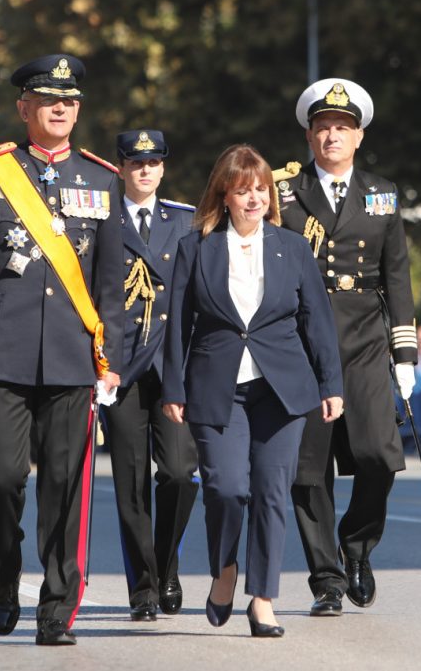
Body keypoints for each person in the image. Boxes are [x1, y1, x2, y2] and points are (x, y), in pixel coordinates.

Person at [0, 54, 124, 646]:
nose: (61, 109)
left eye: (70, 101)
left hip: (73, 356)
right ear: (24, 108)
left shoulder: (103, 179)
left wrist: (111, 357)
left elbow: (110, 280)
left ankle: (57, 606)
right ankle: (6, 566)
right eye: (49, 100)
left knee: (66, 487)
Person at [162, 144, 344, 637]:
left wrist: (331, 384)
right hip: (216, 388)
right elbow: (178, 323)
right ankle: (224, 570)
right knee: (226, 488)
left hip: (281, 391)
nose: (254, 199)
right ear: (224, 195)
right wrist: (173, 388)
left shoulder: (292, 247)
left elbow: (317, 322)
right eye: (243, 191)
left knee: (271, 493)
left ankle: (262, 599)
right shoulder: (194, 247)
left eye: (261, 189)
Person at [275, 78, 418, 616]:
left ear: (358, 137)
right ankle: (326, 578)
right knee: (308, 468)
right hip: (299, 341)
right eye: (323, 128)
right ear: (309, 138)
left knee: (378, 454)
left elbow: (396, 276)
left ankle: (357, 546)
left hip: (362, 339)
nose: (332, 136)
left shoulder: (382, 194)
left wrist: (405, 354)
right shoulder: (282, 193)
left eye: (342, 128)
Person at [103, 129, 199, 622]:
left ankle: (166, 564)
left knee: (181, 474)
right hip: (119, 368)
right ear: (120, 167)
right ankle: (143, 587)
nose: (145, 170)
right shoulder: (102, 218)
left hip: (173, 364)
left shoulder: (184, 221)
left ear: (164, 167)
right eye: (135, 162)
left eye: (154, 162)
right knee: (130, 483)